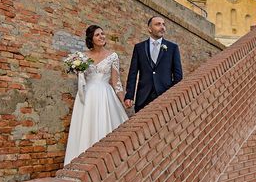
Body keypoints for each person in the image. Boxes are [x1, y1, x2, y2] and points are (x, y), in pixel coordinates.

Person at [64, 25, 128, 165]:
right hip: (86, 97)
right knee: (85, 127)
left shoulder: (112, 56)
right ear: (91, 39)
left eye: (103, 34)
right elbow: (82, 79)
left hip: (105, 96)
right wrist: (78, 70)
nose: (102, 37)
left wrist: (123, 100)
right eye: (98, 35)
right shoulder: (82, 57)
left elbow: (116, 82)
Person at [124, 16, 183, 113]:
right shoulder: (139, 48)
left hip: (165, 96)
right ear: (149, 29)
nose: (162, 27)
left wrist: (170, 94)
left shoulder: (173, 48)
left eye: (163, 24)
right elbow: (133, 73)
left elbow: (178, 76)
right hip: (143, 96)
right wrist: (129, 95)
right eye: (158, 24)